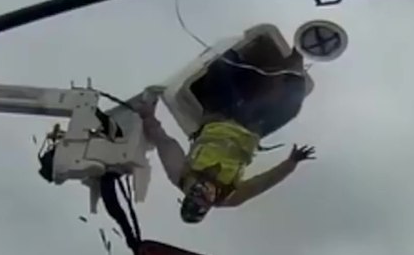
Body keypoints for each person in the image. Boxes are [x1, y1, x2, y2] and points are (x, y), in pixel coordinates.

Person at [136, 46, 317, 224]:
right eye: (205, 197)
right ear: (209, 204)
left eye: (196, 191)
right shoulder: (231, 197)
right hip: (251, 127)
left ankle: (238, 56)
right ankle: (300, 51)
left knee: (220, 69)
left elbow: (165, 143)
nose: (204, 188)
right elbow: (262, 183)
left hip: (218, 116)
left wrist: (148, 116)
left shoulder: (181, 176)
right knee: (291, 106)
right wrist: (290, 163)